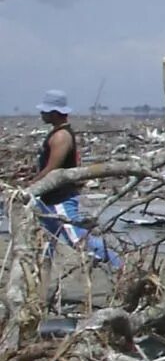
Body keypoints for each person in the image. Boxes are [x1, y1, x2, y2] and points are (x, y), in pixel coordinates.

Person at [25, 89, 120, 268]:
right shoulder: (57, 133)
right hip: (48, 199)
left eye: (45, 111)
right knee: (45, 245)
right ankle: (40, 290)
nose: (42, 114)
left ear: (55, 113)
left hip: (60, 199)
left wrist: (31, 186)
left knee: (80, 240)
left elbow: (53, 170)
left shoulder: (61, 136)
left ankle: (118, 266)